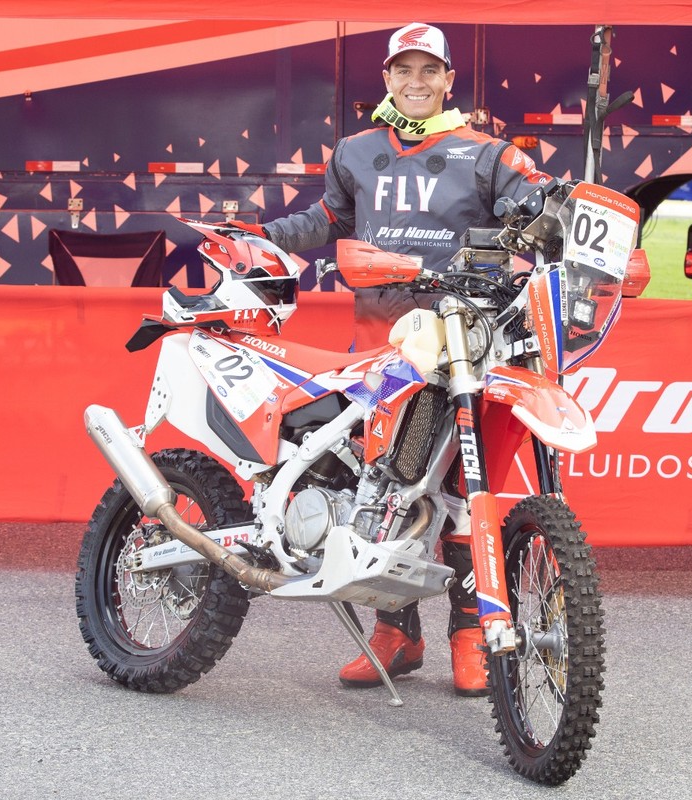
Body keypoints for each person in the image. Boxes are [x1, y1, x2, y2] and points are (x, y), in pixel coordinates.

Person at [232, 22, 554, 697]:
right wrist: (259, 235)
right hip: (381, 349)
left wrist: (548, 211)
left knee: (467, 492)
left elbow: (537, 203)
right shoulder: (354, 152)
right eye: (402, 70)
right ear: (386, 78)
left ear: (447, 80)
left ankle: (470, 638)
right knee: (376, 493)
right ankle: (394, 635)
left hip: (465, 346)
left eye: (427, 71)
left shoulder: (486, 154)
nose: (415, 82)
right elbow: (326, 220)